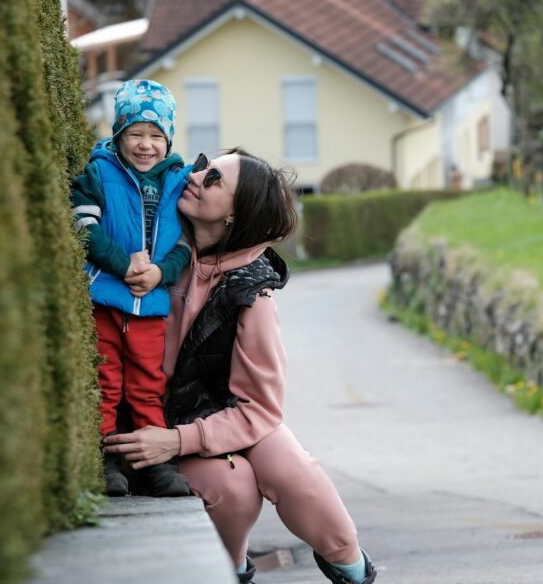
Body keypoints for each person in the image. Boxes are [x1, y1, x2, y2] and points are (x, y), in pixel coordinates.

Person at [104, 149, 377, 584]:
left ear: (234, 215)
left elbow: (261, 410)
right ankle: (229, 571)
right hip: (152, 413)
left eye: (213, 179)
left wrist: (177, 441)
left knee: (292, 472)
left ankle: (353, 568)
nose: (195, 177)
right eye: (201, 166)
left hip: (217, 418)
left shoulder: (254, 296)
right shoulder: (154, 243)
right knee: (234, 487)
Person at [70, 79, 193, 497]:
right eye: (135, 134)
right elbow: (82, 226)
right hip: (105, 297)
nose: (146, 145)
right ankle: (104, 462)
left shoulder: (180, 181)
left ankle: (153, 465)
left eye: (156, 135)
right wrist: (122, 265)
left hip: (150, 304)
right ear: (118, 134)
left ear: (168, 138)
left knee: (147, 384)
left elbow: (184, 246)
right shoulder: (98, 173)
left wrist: (160, 273)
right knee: (105, 381)